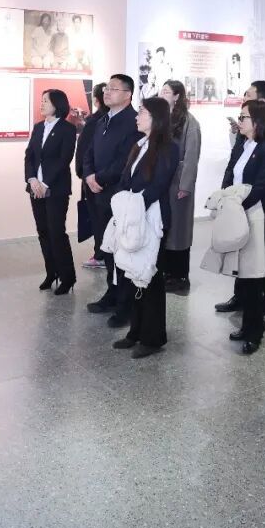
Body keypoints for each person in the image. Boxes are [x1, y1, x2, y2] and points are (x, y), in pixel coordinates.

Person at [110, 97, 179, 358]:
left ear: (156, 118)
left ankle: (153, 338)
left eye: (142, 112)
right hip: (133, 215)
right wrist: (123, 202)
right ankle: (135, 331)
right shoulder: (139, 145)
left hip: (151, 218)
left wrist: (132, 206)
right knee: (132, 273)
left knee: (150, 277)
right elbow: (124, 179)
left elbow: (157, 186)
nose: (137, 117)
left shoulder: (169, 148)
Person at [216, 79, 265, 325]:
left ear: (261, 103)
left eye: (248, 95)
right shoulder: (243, 135)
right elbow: (232, 166)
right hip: (238, 206)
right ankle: (241, 297)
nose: (243, 98)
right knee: (241, 254)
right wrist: (226, 195)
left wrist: (238, 203)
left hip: (260, 208)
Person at [84, 74, 143, 327]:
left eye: (114, 89)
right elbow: (89, 152)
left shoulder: (133, 122)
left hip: (118, 194)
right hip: (97, 192)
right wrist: (89, 175)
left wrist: (100, 178)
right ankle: (112, 292)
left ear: (128, 95)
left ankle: (125, 303)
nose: (107, 92)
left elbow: (125, 160)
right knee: (105, 247)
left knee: (121, 250)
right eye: (107, 88)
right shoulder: (102, 120)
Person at [223, 100, 265, 354]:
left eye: (243, 117)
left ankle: (254, 332)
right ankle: (246, 325)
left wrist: (236, 204)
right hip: (237, 214)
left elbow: (262, 186)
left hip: (255, 217)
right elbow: (230, 173)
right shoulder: (242, 144)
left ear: (257, 121)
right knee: (244, 276)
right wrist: (224, 197)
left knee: (255, 277)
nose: (239, 121)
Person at [25, 89, 78, 296]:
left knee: (56, 233)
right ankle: (51, 273)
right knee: (43, 232)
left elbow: (64, 159)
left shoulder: (67, 129)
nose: (42, 104)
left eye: (46, 101)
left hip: (55, 189)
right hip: (35, 188)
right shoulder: (38, 127)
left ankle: (67, 277)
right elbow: (29, 156)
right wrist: (32, 179)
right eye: (42, 100)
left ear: (57, 104)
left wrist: (45, 183)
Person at [158, 80, 201, 294]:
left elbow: (191, 156)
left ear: (177, 96)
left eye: (166, 91)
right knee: (164, 228)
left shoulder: (189, 122)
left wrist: (185, 185)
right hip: (162, 182)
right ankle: (166, 272)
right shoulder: (161, 118)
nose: (162, 94)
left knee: (179, 230)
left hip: (178, 183)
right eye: (161, 90)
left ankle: (181, 276)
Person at [77, 83, 108, 270]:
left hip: (94, 179)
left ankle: (101, 255)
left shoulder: (95, 121)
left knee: (98, 219)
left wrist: (84, 174)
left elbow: (83, 152)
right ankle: (104, 254)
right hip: (105, 178)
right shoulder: (108, 120)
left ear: (96, 100)